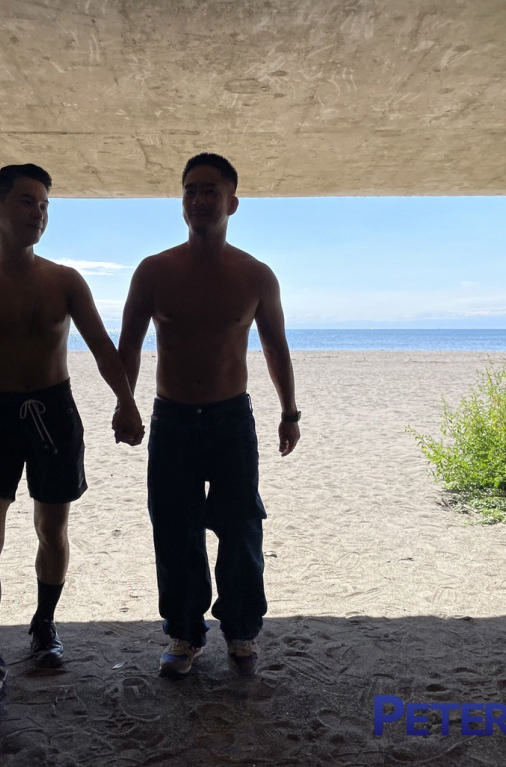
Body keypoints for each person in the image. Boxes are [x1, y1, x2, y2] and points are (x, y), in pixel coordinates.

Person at [0, 163, 145, 718]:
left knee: (52, 530)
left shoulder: (65, 281)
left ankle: (43, 624)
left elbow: (102, 347)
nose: (39, 213)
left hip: (56, 413)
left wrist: (126, 401)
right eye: (28, 201)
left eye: (45, 204)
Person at [118, 152, 300, 678]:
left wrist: (289, 411)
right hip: (172, 419)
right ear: (182, 202)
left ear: (232, 203)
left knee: (241, 529)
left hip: (230, 420)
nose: (199, 199)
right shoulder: (154, 271)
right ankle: (184, 633)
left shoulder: (255, 275)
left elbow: (275, 347)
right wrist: (125, 403)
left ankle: (241, 632)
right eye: (190, 191)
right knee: (175, 531)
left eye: (210, 191)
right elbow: (129, 345)